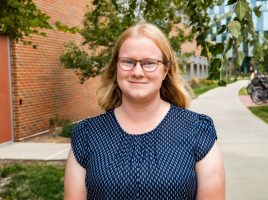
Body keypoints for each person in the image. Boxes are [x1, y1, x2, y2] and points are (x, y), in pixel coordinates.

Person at [64, 22, 225, 200]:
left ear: (165, 70)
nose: (137, 72)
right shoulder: (87, 134)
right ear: (115, 67)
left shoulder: (197, 131)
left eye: (149, 63)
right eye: (128, 62)